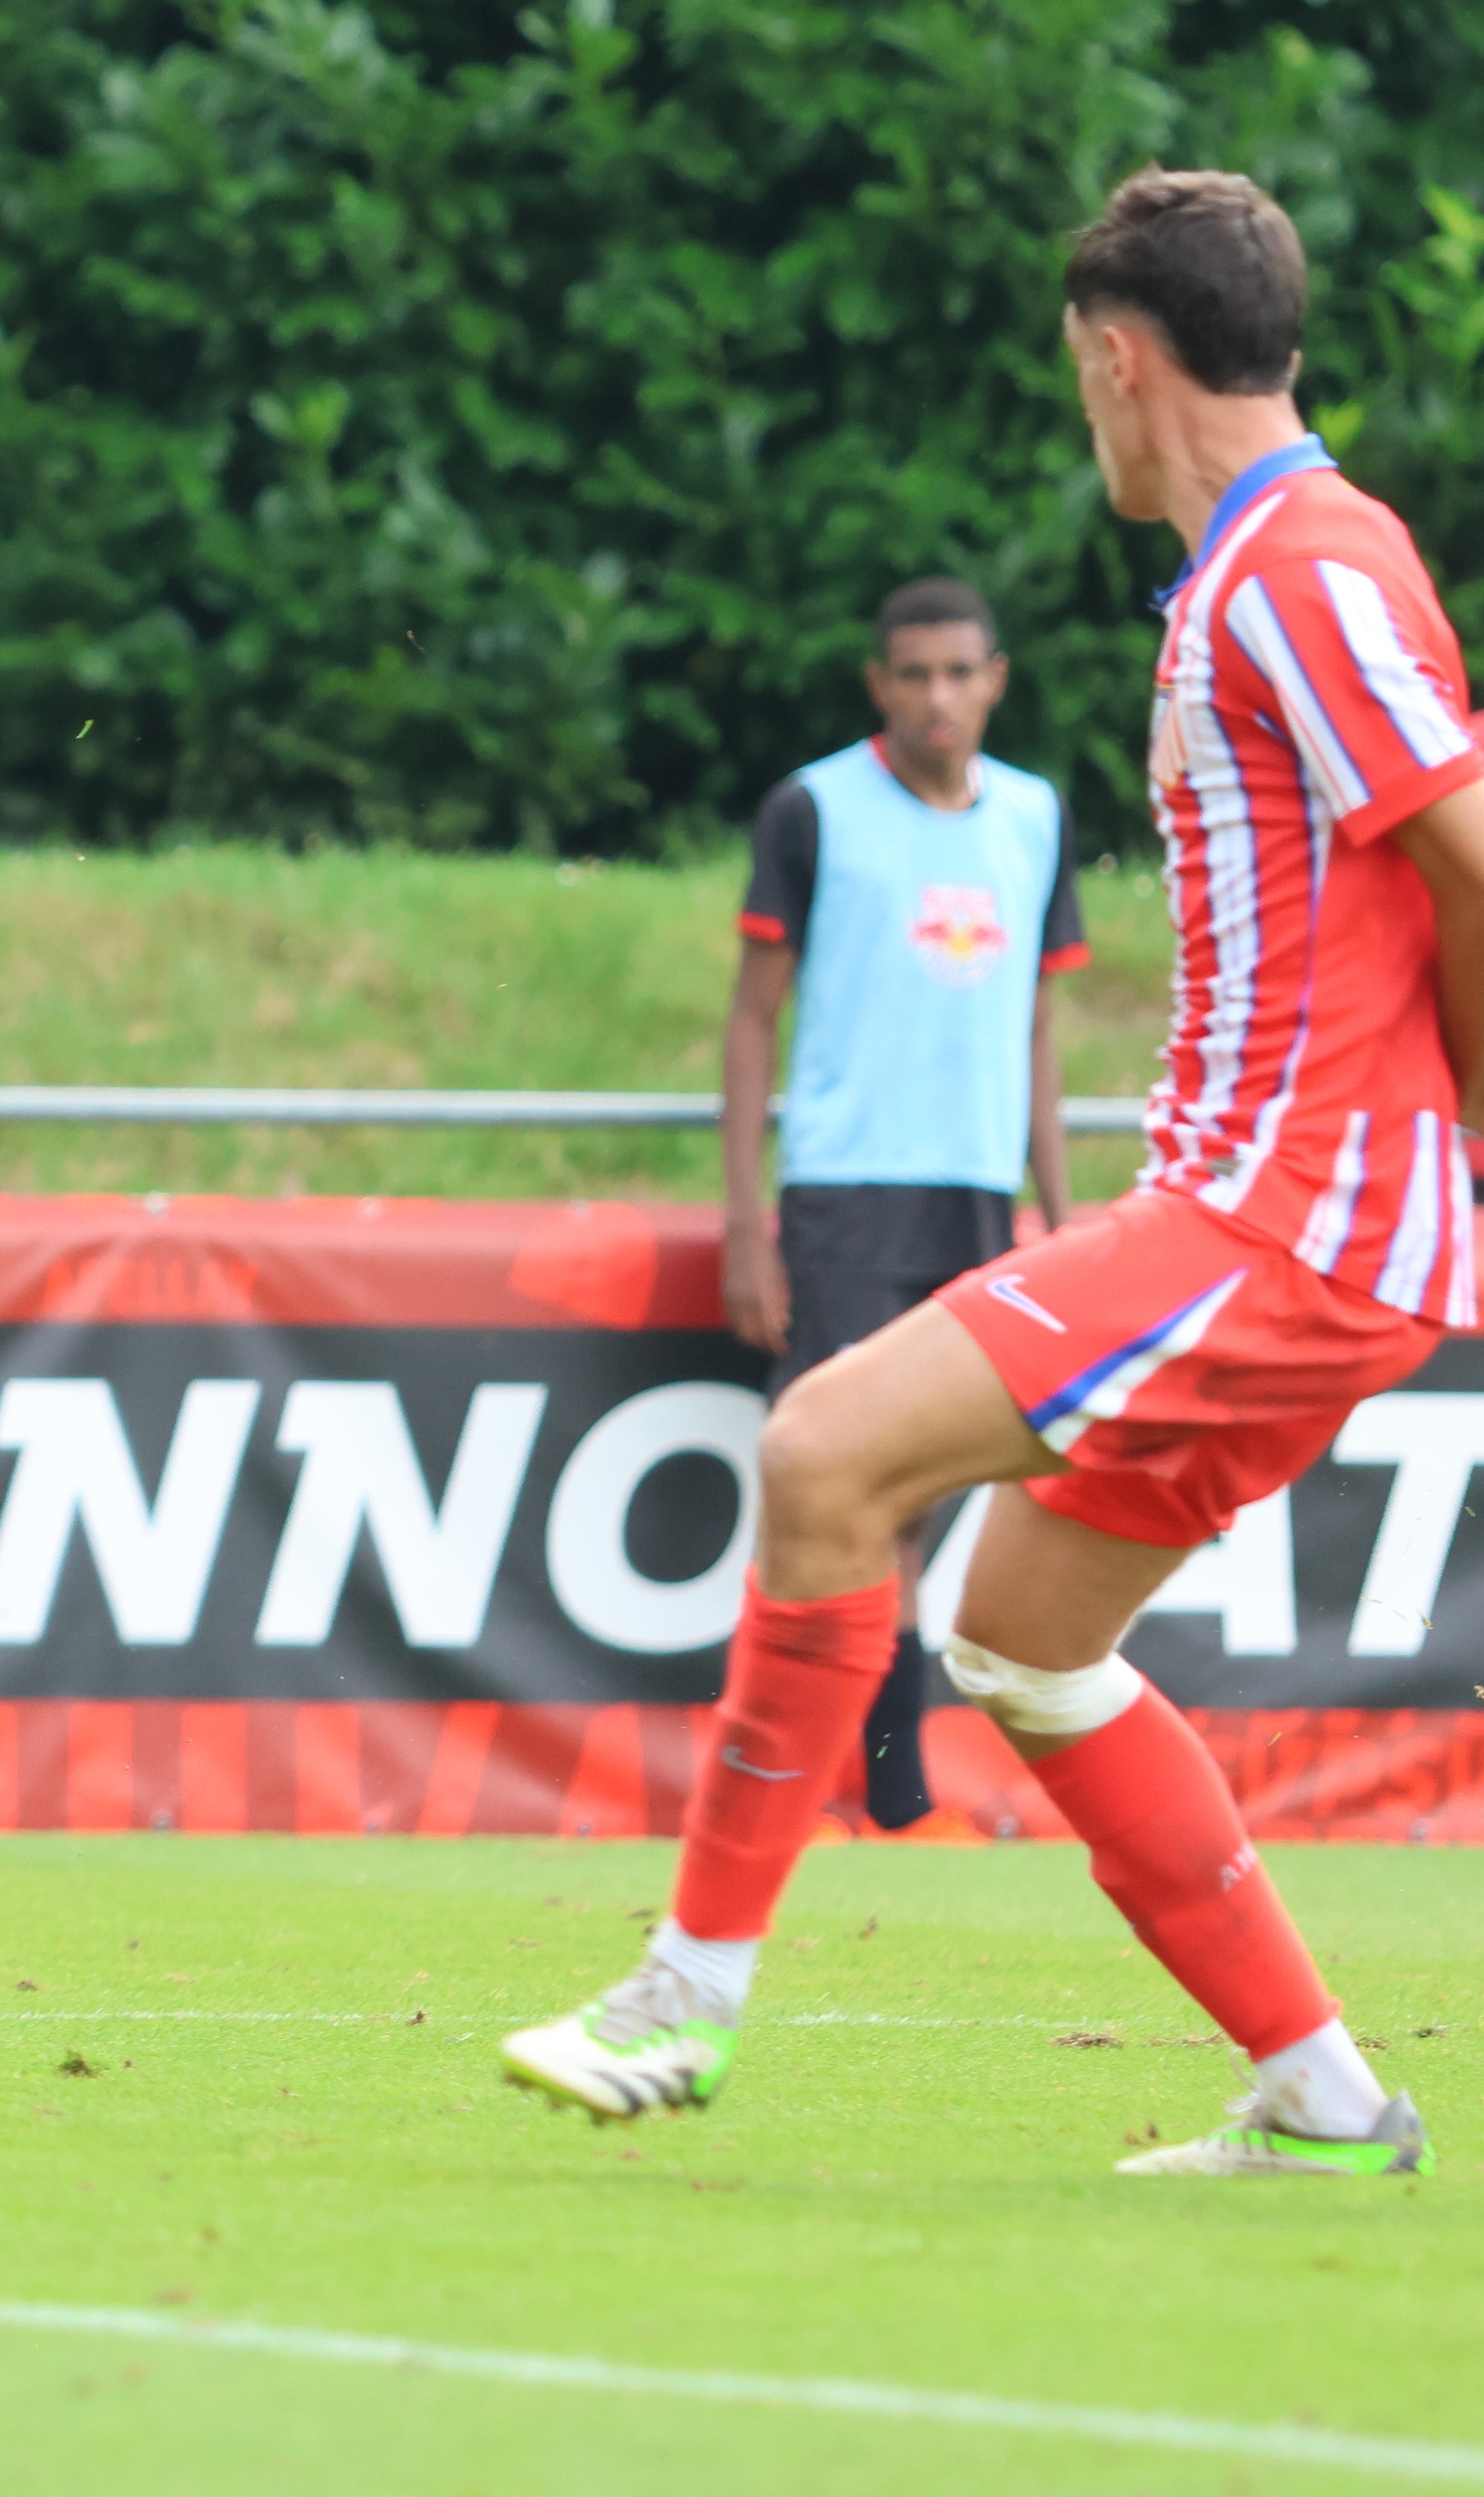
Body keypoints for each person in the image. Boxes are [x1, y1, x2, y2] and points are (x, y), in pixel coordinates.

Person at [505, 169, 1475, 2177]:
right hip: (1284, 1209)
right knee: (1021, 1636)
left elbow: (1468, 850)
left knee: (816, 1454)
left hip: (1280, 1215)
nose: (1079, 410)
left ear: (1118, 361)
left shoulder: (1299, 567)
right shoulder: (1267, 560)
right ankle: (1319, 2101)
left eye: (1074, 374)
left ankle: (681, 1999)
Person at [721, 576, 1084, 1838]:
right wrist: (743, 1221)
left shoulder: (1033, 816)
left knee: (922, 1501)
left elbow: (1037, 1023)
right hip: (841, 1190)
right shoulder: (813, 808)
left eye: (958, 673)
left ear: (995, 679)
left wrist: (1060, 1210)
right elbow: (752, 1014)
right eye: (912, 675)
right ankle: (780, 1778)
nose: (937, 698)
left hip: (975, 1195)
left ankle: (888, 1790)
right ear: (879, 685)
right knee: (823, 1478)